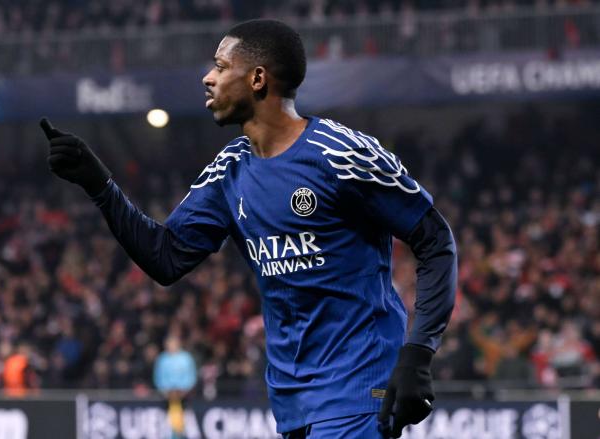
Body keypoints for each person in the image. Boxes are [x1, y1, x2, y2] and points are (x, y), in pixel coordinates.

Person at [40, 19, 457, 439]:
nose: (208, 78)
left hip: (358, 394)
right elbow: (164, 258)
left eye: (220, 67)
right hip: (292, 407)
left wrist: (417, 354)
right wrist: (99, 185)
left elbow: (436, 241)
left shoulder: (341, 154)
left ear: (257, 79)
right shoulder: (230, 169)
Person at [154, 335, 197, 439]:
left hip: (184, 395)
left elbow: (191, 375)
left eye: (173, 343)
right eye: (168, 343)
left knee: (186, 419)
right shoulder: (162, 359)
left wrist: (184, 390)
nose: (170, 346)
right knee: (168, 420)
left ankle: (182, 435)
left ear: (178, 344)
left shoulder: (186, 358)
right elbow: (158, 377)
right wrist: (166, 390)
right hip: (167, 395)